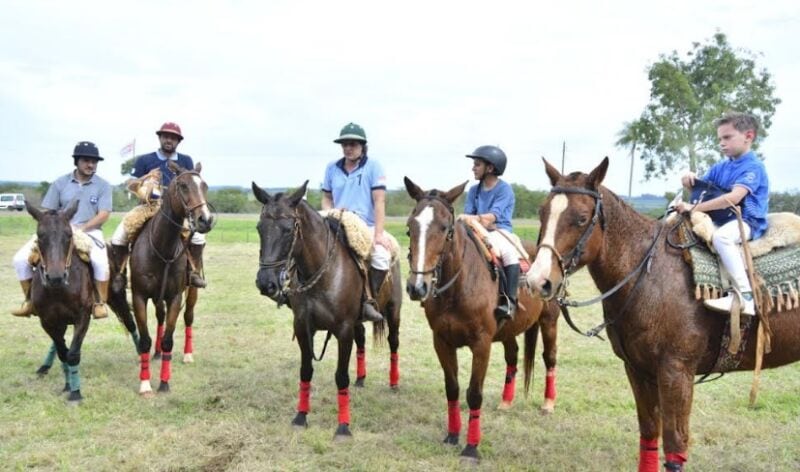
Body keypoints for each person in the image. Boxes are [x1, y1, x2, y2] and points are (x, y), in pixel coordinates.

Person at [677, 112, 769, 316]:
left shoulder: (754, 167)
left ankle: (746, 297)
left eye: (727, 137)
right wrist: (689, 178)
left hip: (746, 221)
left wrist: (693, 208)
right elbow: (702, 186)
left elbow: (734, 198)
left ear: (748, 136)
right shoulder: (722, 166)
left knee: (722, 238)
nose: (721, 143)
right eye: (719, 139)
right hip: (722, 218)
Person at [11, 141, 112, 319]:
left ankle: (99, 304)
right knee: (19, 259)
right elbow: (48, 211)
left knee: (101, 263)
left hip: (90, 231)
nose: (91, 165)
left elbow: (104, 214)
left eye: (94, 162)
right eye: (86, 160)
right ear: (76, 162)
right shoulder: (60, 183)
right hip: (57, 231)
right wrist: (52, 227)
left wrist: (83, 227)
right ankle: (29, 301)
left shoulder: (103, 185)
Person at [109, 122, 206, 290]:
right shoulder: (145, 159)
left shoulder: (185, 160)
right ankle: (121, 274)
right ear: (160, 138)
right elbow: (131, 183)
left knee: (198, 237)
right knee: (119, 236)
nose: (169, 140)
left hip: (176, 211)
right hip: (148, 207)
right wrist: (146, 177)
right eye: (166, 136)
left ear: (178, 141)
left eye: (173, 138)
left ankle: (193, 271)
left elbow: (191, 186)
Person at [321, 122, 389, 323]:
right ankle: (291, 290)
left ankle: (368, 301)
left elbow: (379, 201)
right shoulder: (331, 168)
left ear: (362, 146)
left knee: (382, 257)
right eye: (344, 144)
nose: (348, 148)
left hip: (364, 225)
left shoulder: (374, 166)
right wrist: (329, 211)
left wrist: (378, 234)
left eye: (352, 144)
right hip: (336, 220)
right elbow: (326, 198)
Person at [462, 145, 521, 324]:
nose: (473, 168)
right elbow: (468, 216)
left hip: (499, 231)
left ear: (490, 168)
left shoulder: (505, 190)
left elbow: (491, 218)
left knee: (510, 253)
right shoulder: (473, 190)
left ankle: (510, 301)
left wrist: (473, 218)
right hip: (475, 229)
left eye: (477, 164)